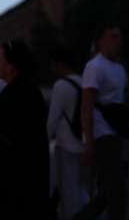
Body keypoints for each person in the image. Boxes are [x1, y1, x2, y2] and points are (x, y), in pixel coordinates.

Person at [0, 40, 50, 219]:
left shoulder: (17, 94)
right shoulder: (27, 89)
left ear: (11, 66)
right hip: (29, 176)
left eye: (0, 60)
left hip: (17, 180)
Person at [73, 27, 129, 220]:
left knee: (107, 193)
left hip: (117, 135)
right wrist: (89, 142)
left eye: (119, 36)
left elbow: (123, 105)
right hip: (103, 136)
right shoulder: (95, 67)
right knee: (116, 192)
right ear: (100, 41)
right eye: (113, 36)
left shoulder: (120, 69)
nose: (118, 40)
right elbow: (86, 106)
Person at [47, 47, 87, 219]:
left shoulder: (61, 85)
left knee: (68, 192)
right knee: (82, 188)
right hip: (84, 144)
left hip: (66, 145)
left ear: (60, 64)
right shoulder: (83, 81)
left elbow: (52, 120)